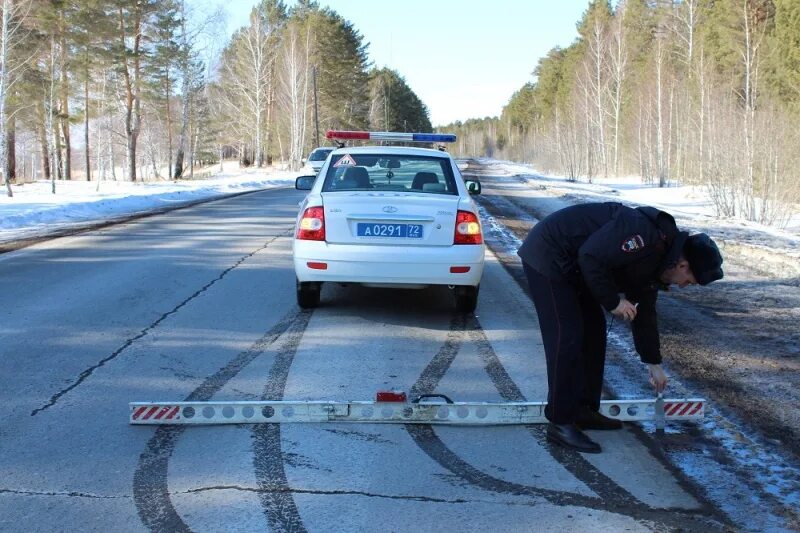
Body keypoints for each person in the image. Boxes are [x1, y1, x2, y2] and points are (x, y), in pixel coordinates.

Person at [517, 202, 723, 453]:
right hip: (550, 253)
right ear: (682, 266)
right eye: (689, 281)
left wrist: (654, 364)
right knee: (566, 337)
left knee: (594, 333)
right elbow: (590, 256)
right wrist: (613, 301)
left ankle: (582, 409)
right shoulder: (643, 236)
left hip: (576, 267)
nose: (683, 286)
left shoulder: (659, 259)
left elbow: (644, 312)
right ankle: (560, 422)